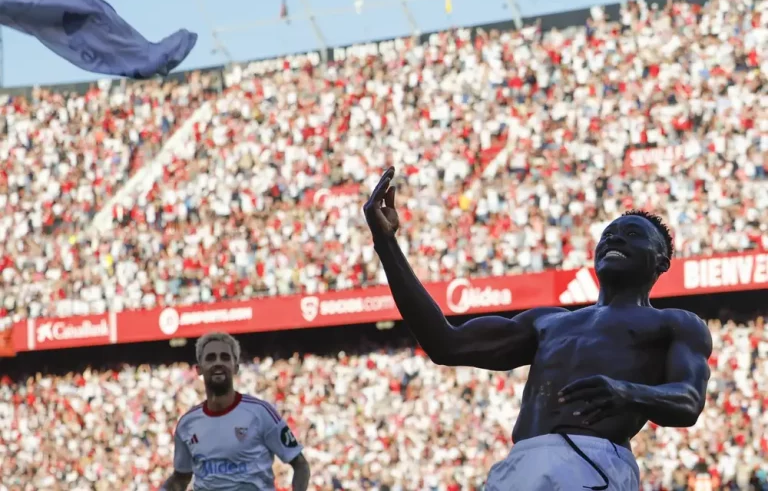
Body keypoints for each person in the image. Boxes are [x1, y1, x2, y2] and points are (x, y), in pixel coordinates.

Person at [364, 167, 713, 491]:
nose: (614, 240)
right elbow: (445, 344)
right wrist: (386, 244)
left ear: (662, 261)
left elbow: (689, 401)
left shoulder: (676, 323)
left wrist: (627, 393)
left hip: (592, 462)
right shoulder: (547, 321)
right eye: (608, 235)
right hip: (519, 463)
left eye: (632, 234)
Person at [161, 332, 311, 491]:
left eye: (225, 357)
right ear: (198, 369)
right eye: (211, 358)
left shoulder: (261, 413)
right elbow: (181, 478)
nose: (218, 363)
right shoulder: (187, 424)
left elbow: (300, 465)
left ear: (236, 367)